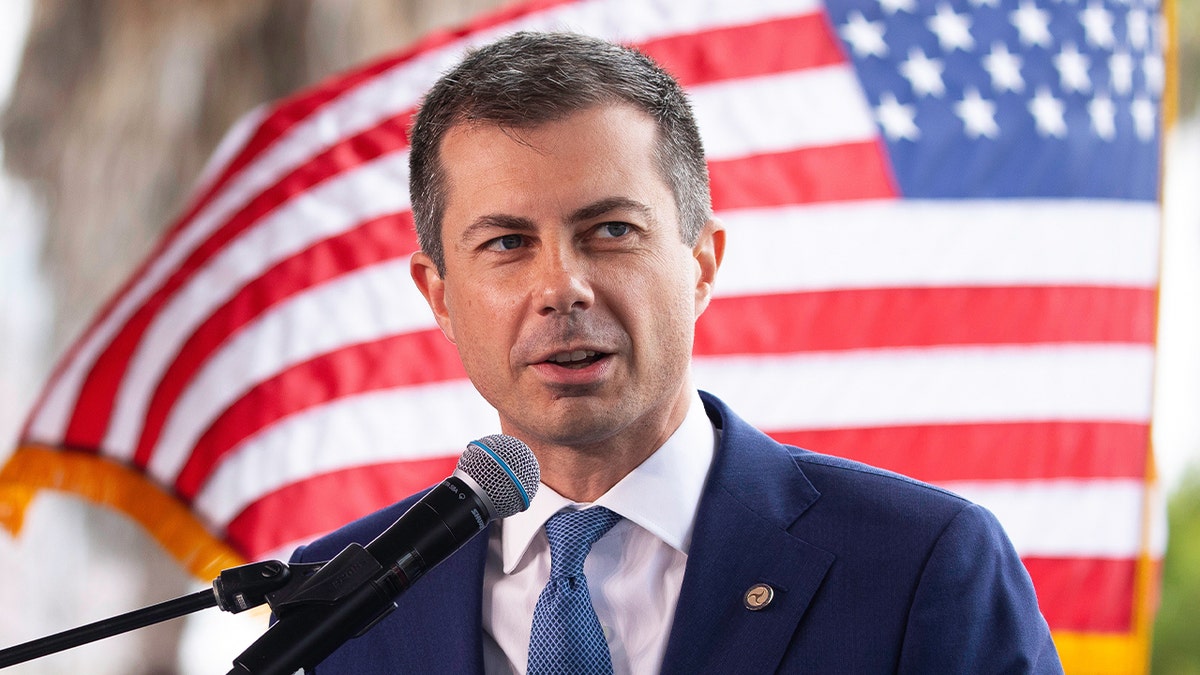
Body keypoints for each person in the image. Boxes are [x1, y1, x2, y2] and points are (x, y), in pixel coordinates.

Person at [289, 31, 1062, 674]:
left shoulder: (921, 563)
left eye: (612, 231)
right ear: (441, 296)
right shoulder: (337, 600)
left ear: (702, 264)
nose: (563, 287)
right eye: (507, 243)